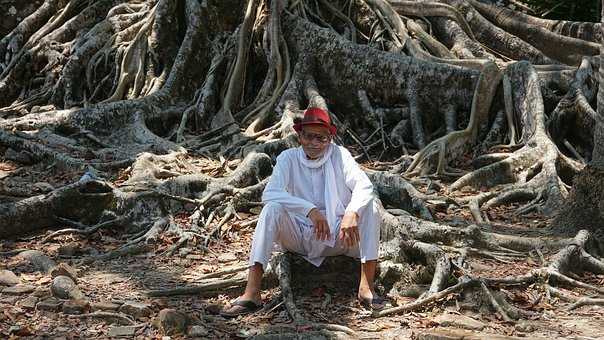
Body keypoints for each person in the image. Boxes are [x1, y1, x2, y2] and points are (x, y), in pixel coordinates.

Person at [220, 107, 382, 317]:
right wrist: (309, 210)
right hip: (300, 235)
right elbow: (270, 193)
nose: (314, 143)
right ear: (299, 136)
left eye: (321, 138)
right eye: (308, 136)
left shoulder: (340, 155)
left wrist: (352, 212)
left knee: (370, 207)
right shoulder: (288, 158)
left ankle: (366, 286)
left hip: (337, 236)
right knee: (272, 209)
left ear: (330, 138)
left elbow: (365, 186)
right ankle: (252, 292)